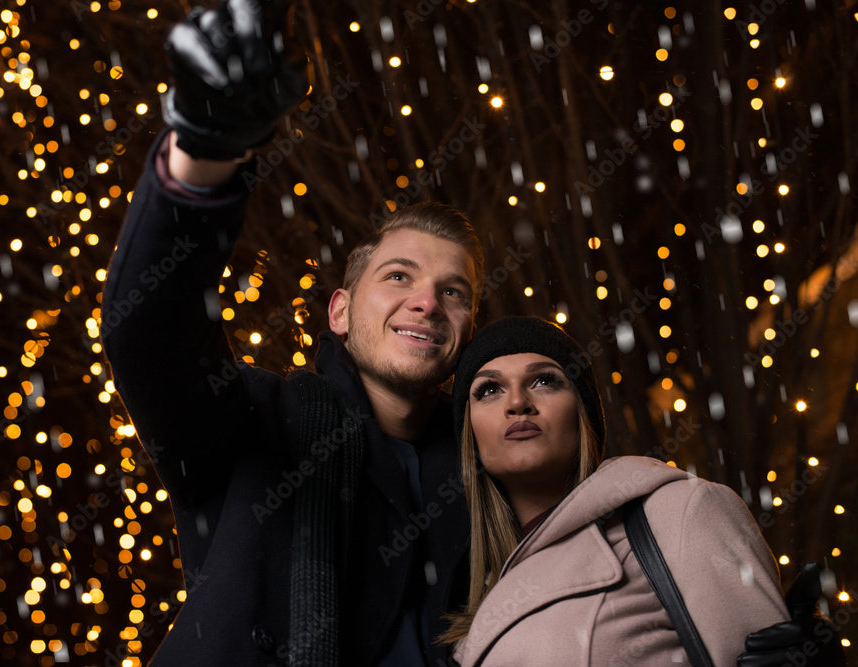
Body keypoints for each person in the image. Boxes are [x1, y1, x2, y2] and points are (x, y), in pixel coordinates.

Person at [102, 0, 843, 664]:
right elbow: (151, 332)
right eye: (397, 277)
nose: (426, 301)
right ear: (338, 311)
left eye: (452, 291)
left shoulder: (492, 482)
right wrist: (203, 152)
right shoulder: (253, 427)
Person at [443, 316, 846, 666]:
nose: (517, 402)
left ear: (582, 415)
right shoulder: (473, 593)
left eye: (545, 381)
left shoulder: (679, 513)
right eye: (489, 390)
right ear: (470, 435)